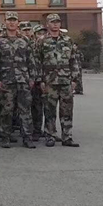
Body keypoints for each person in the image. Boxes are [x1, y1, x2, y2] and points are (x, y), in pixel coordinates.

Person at [0, 12, 37, 149]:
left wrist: (32, 78)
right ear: (5, 22)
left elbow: (31, 61)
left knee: (25, 110)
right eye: (9, 20)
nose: (12, 23)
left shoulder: (24, 40)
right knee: (7, 110)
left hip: (23, 80)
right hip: (7, 80)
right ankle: (5, 137)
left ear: (18, 22)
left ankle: (27, 137)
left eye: (14, 20)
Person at [36, 14, 80, 147]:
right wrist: (40, 80)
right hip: (49, 81)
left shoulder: (68, 40)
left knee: (67, 110)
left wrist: (75, 79)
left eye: (57, 22)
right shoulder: (41, 41)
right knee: (49, 110)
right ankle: (50, 135)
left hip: (66, 80)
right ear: (47, 24)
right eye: (52, 22)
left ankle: (67, 136)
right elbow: (37, 61)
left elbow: (73, 60)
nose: (55, 24)